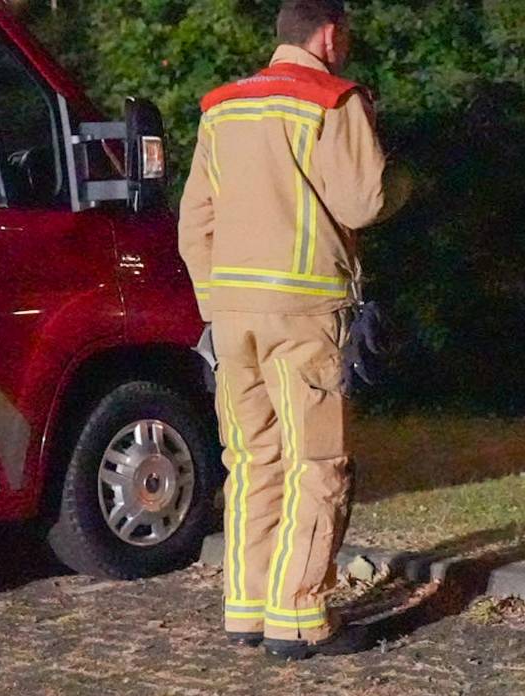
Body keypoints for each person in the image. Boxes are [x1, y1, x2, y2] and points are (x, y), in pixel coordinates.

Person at [177, 0, 388, 661]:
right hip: (306, 310)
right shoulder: (333, 101)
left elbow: (194, 222)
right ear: (328, 33)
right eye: (344, 35)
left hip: (231, 312)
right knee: (316, 463)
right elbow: (364, 202)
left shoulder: (222, 108)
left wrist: (215, 303)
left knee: (251, 459)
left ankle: (247, 603)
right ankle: (298, 613)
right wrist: (399, 175)